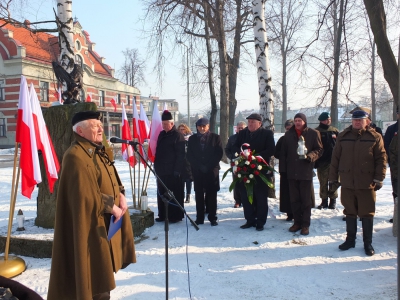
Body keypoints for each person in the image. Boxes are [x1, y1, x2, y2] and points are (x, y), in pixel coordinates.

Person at [48, 111, 136, 300]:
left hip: (104, 226)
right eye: (94, 125)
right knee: (94, 279)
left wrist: (121, 194)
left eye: (99, 124)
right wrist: (111, 206)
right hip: (88, 229)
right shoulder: (75, 156)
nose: (100, 128)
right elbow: (83, 195)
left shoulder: (97, 150)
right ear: (80, 130)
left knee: (102, 276)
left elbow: (111, 177)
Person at [329, 110, 386, 256]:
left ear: (367, 121)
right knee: (350, 211)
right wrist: (333, 179)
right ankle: (350, 240)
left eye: (360, 120)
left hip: (367, 183)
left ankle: (367, 243)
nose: (357, 122)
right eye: (355, 120)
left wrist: (379, 178)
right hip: (347, 182)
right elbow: (335, 159)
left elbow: (381, 159)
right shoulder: (343, 136)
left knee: (367, 213)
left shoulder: (375, 137)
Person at [280, 113, 323, 236]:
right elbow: (283, 153)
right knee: (294, 199)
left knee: (305, 200)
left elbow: (319, 150)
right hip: (291, 172)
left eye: (300, 120)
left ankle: (305, 224)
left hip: (305, 170)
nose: (297, 123)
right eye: (296, 120)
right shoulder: (288, 135)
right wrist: (283, 170)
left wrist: (310, 156)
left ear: (304, 121)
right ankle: (297, 222)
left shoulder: (313, 134)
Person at [233, 113, 275, 231]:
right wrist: (242, 155)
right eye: (249, 122)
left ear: (259, 123)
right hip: (245, 169)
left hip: (260, 169)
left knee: (261, 197)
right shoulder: (242, 133)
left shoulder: (267, 134)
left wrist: (255, 157)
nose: (250, 124)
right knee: (246, 196)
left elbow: (271, 149)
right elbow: (235, 146)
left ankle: (260, 222)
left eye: (253, 122)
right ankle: (250, 220)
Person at [187, 117, 223, 226]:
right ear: (197, 127)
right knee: (199, 194)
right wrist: (199, 166)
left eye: (204, 126)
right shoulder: (192, 139)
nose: (202, 128)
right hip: (198, 171)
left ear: (208, 126)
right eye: (200, 126)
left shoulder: (215, 138)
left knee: (212, 194)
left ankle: (212, 217)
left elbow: (219, 154)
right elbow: (189, 155)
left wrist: (208, 166)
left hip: (212, 170)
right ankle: (200, 218)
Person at [154, 110, 185, 223]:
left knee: (173, 194)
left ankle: (174, 216)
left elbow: (180, 155)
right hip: (161, 171)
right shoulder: (162, 134)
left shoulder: (178, 135)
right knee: (162, 193)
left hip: (173, 171)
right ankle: (162, 215)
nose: (164, 126)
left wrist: (177, 170)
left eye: (166, 124)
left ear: (172, 124)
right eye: (163, 124)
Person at [315, 112, 339, 209]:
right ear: (321, 120)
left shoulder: (334, 130)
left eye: (329, 119)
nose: (328, 121)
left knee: (334, 181)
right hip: (322, 161)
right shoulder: (317, 131)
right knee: (323, 182)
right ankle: (324, 201)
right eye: (326, 119)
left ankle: (333, 201)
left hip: (334, 161)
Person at [274, 119, 294, 221]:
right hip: (285, 169)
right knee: (286, 192)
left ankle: (297, 212)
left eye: (291, 128)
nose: (289, 131)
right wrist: (283, 155)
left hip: (297, 170)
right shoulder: (282, 139)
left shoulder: (299, 138)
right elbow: (276, 153)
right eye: (287, 129)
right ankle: (289, 213)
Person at [225, 121, 247, 208]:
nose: (240, 129)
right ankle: (237, 200)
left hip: (247, 162)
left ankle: (246, 199)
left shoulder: (248, 137)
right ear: (236, 128)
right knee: (236, 181)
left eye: (242, 128)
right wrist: (232, 157)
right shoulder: (232, 138)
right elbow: (227, 149)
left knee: (246, 181)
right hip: (235, 162)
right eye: (239, 128)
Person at [384, 107, 399, 203]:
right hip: (395, 166)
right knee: (397, 190)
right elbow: (386, 146)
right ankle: (397, 216)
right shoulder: (392, 129)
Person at [178, 123, 193, 204]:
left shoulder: (190, 138)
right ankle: (181, 195)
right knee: (181, 179)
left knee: (188, 179)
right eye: (180, 129)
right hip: (180, 161)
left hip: (188, 161)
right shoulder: (177, 137)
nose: (182, 131)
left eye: (183, 129)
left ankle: (188, 195)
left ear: (186, 129)